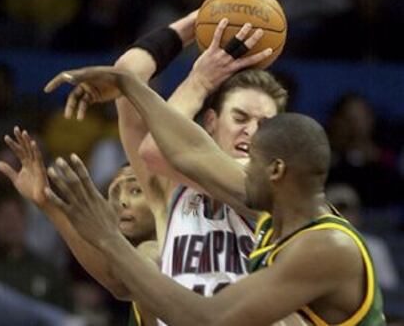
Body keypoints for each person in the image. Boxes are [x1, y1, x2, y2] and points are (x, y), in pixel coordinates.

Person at [43, 68, 385, 325]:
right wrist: (128, 83)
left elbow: (208, 319)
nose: (239, 171)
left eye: (250, 165)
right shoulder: (277, 228)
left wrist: (107, 238)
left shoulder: (326, 247)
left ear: (276, 171)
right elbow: (185, 151)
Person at [45, 17, 286, 326]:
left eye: (264, 125)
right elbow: (128, 72)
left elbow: (155, 148)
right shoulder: (171, 188)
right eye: (240, 118)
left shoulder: (275, 188)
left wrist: (200, 81)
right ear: (210, 122)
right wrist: (199, 20)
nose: (251, 132)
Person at [0, 127, 158, 325]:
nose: (122, 202)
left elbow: (120, 282)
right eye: (114, 193)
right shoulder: (130, 261)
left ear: (161, 199)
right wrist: (46, 203)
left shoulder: (162, 249)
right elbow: (118, 279)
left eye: (134, 191)